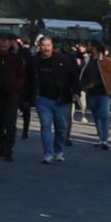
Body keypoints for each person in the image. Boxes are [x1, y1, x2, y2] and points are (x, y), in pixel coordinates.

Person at [30, 35, 79, 164]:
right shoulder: (34, 61)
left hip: (62, 99)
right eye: (43, 45)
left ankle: (59, 151)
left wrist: (76, 91)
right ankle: (48, 153)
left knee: (61, 128)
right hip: (43, 99)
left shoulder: (63, 59)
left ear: (52, 46)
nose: (45, 48)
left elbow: (74, 76)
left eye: (48, 45)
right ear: (39, 46)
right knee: (45, 126)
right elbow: (29, 79)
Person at [0, 34, 27, 163]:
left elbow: (22, 76)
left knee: (10, 124)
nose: (3, 45)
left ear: (10, 44)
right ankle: (3, 144)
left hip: (11, 96)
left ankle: (9, 150)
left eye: (6, 43)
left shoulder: (15, 59)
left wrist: (16, 88)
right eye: (0, 42)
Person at [81, 41, 111, 150]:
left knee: (105, 114)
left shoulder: (107, 61)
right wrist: (85, 86)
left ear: (95, 48)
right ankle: (101, 136)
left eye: (90, 45)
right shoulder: (87, 60)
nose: (88, 47)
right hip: (91, 93)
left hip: (104, 92)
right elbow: (82, 75)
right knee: (96, 116)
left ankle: (104, 139)